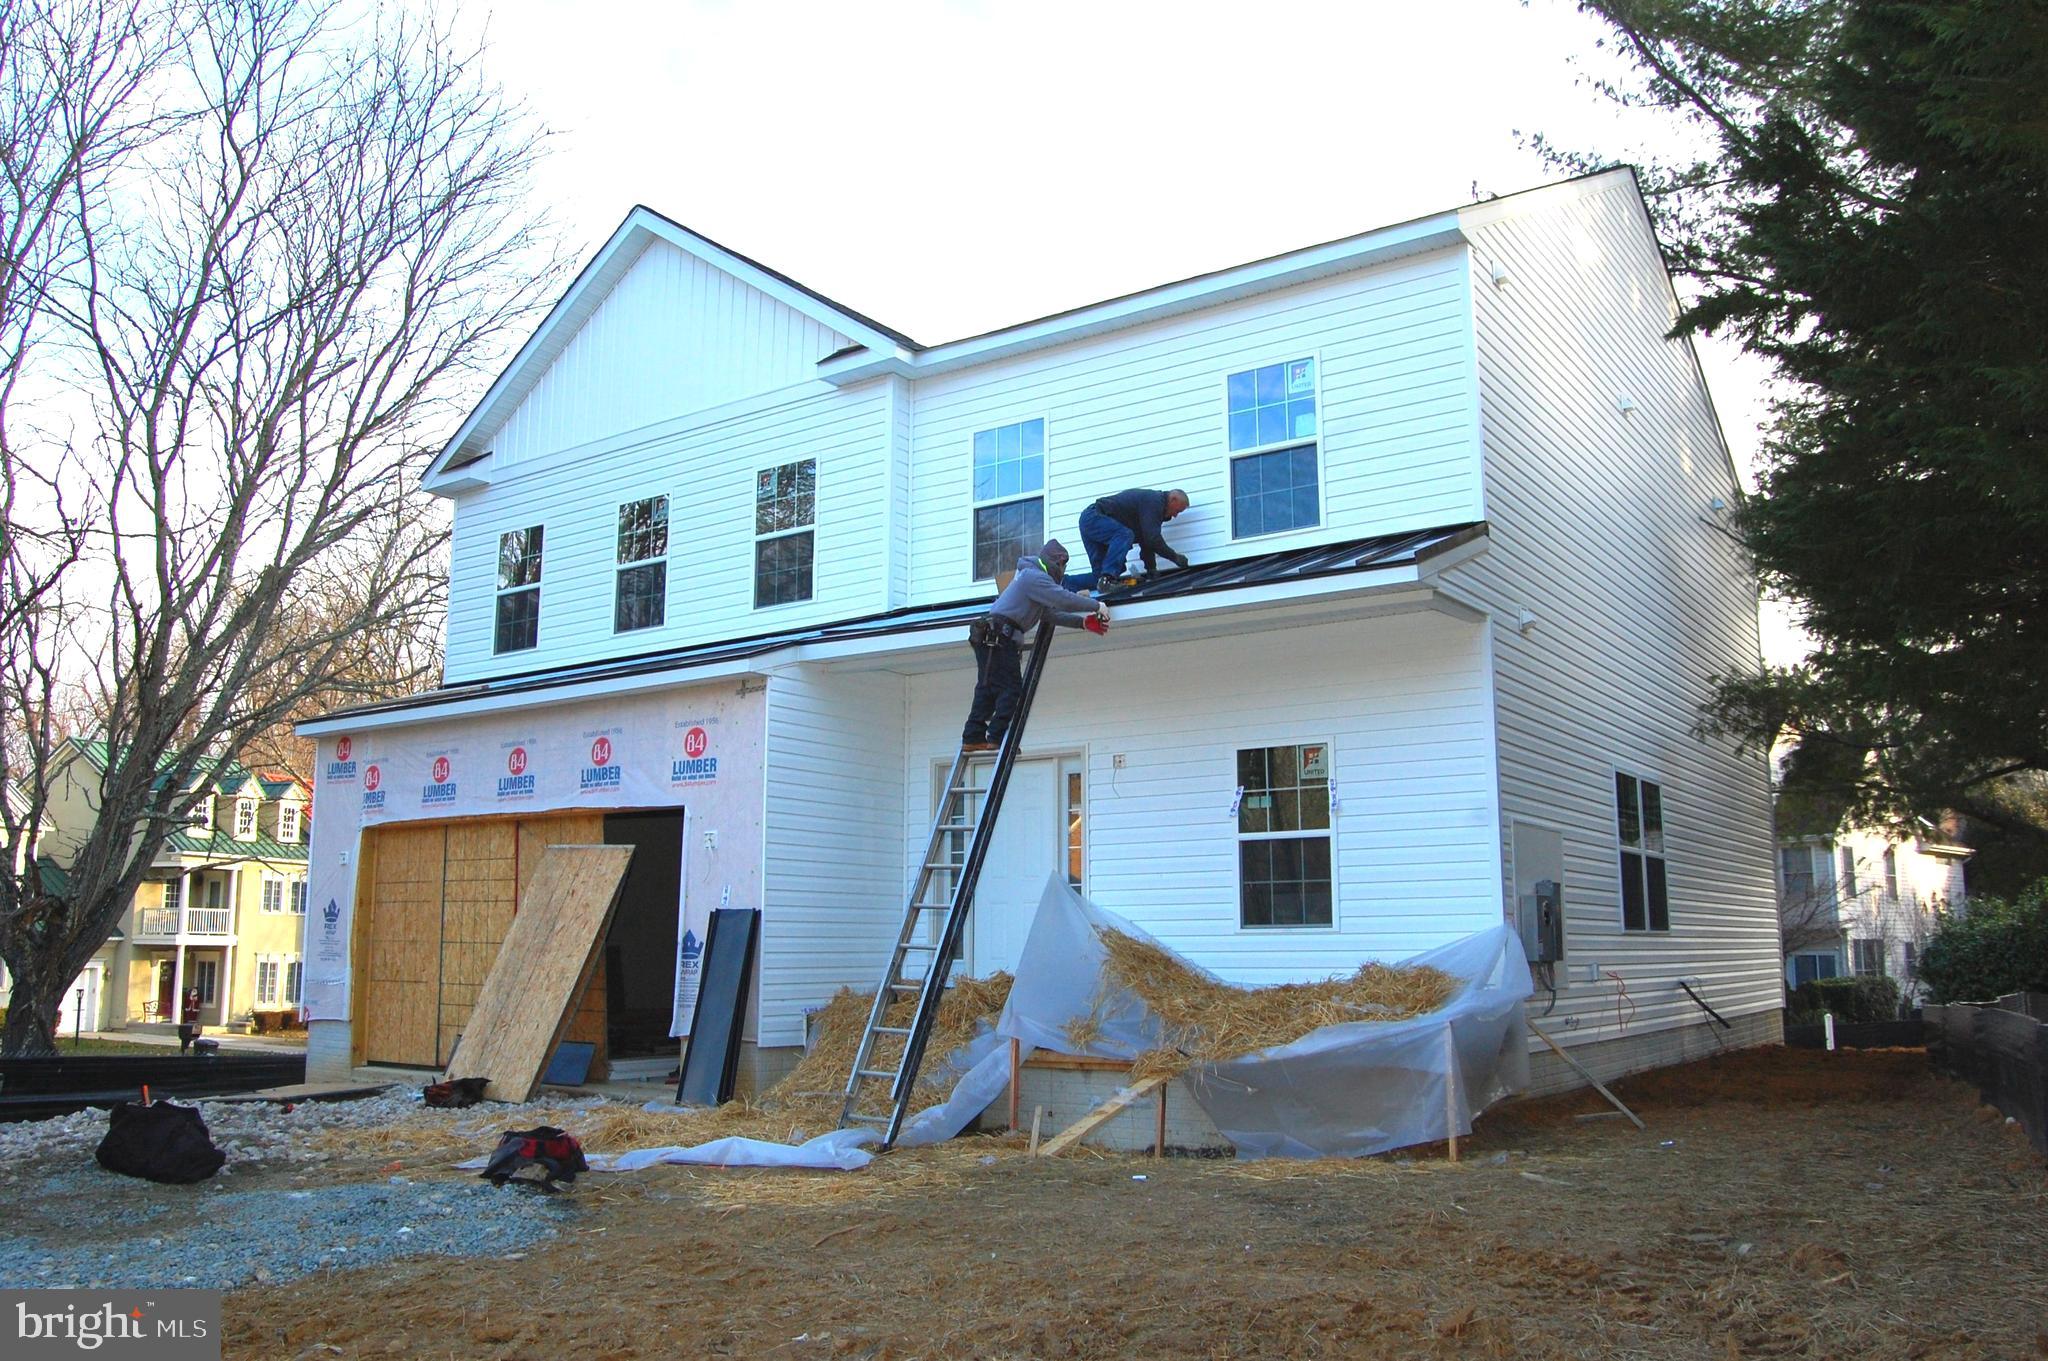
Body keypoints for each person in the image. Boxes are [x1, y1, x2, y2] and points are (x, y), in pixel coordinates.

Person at [962, 539, 1108, 753]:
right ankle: (997, 737)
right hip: (998, 637)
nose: (1063, 570)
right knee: (1010, 689)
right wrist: (1097, 605)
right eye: (1062, 565)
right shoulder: (1034, 577)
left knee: (989, 688)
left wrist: (1082, 623)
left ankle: (974, 736)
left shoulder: (1030, 579)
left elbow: (1049, 613)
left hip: (993, 637)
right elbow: (1063, 599)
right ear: (1055, 562)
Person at [1079, 488, 1190, 588]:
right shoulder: (1154, 501)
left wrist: (1151, 569)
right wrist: (1175, 557)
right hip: (1094, 517)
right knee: (1124, 535)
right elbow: (1152, 538)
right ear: (1173, 499)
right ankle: (1107, 580)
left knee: (1100, 576)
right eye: (1178, 511)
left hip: (1089, 520)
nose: (1175, 515)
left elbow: (1146, 540)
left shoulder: (1153, 509)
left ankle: (1065, 582)